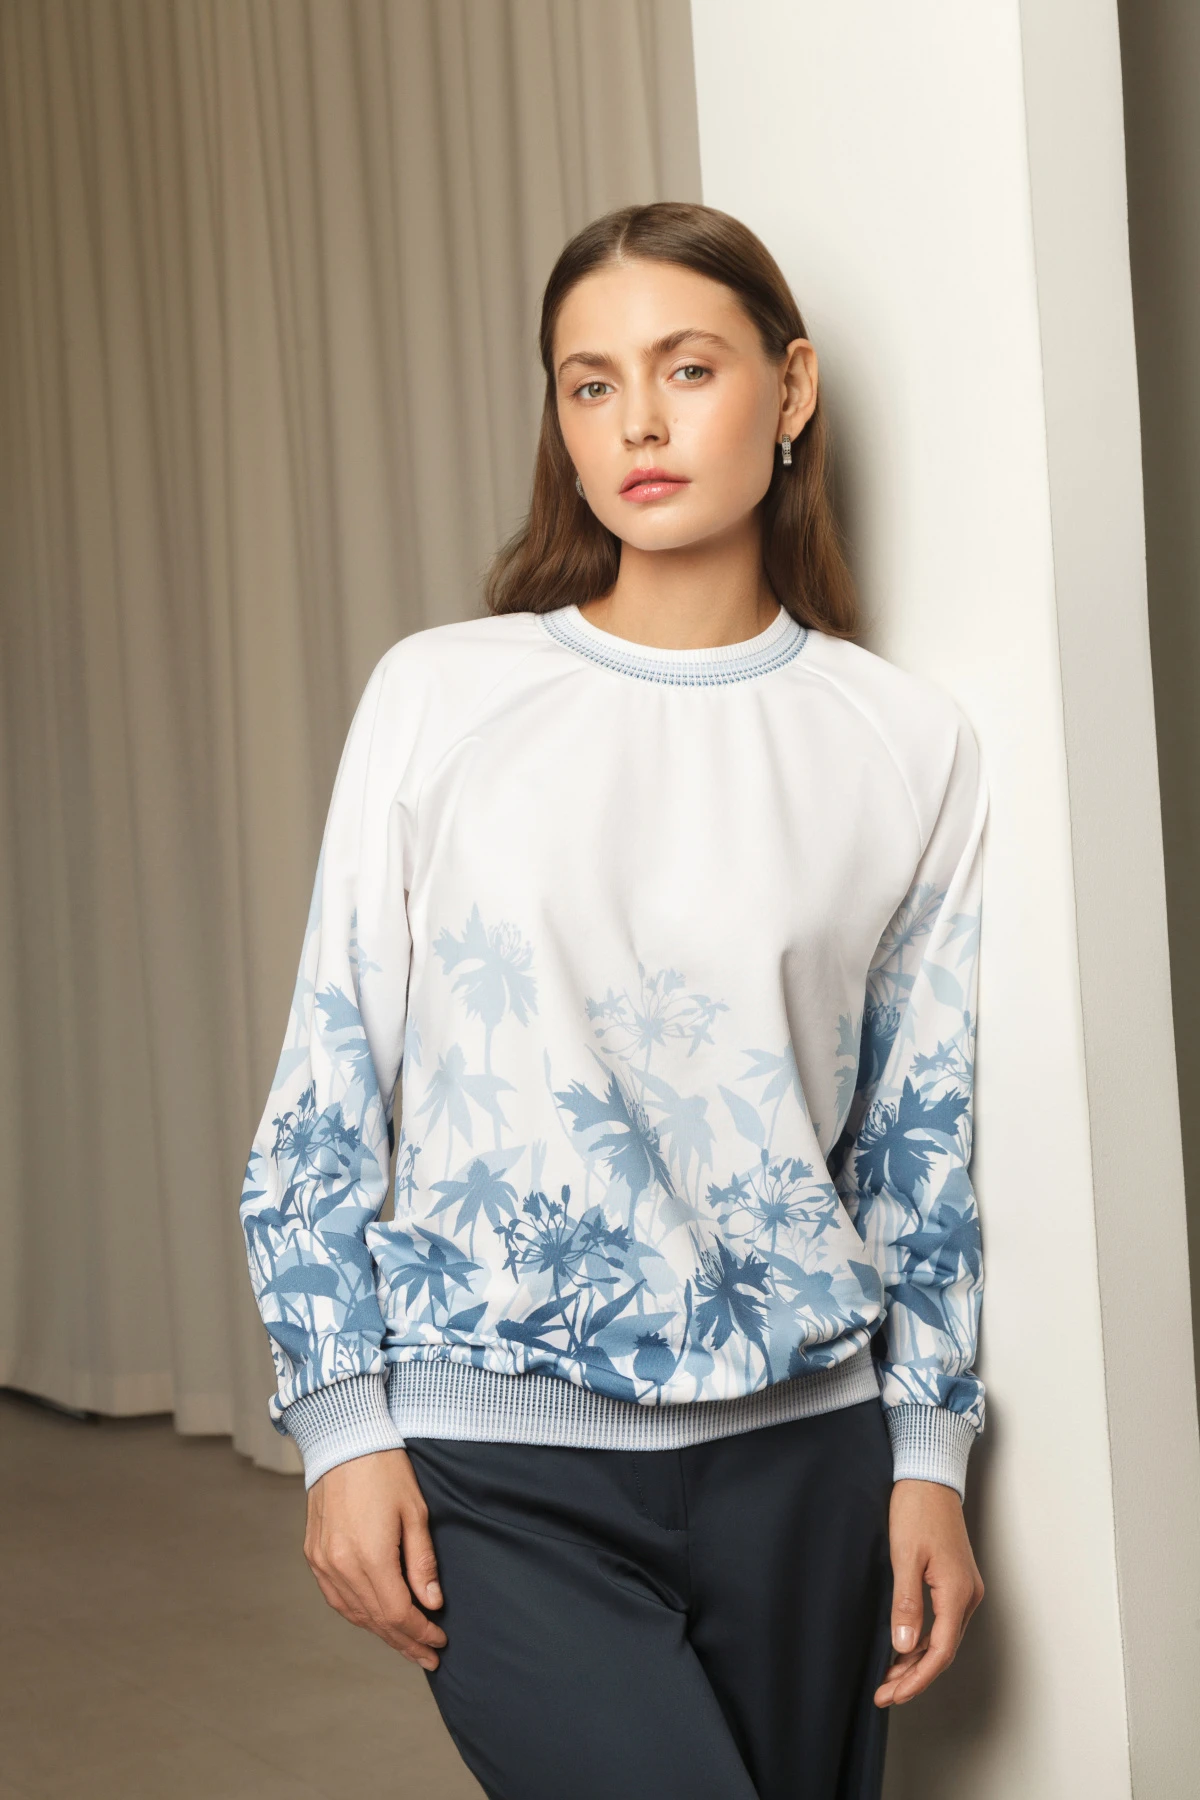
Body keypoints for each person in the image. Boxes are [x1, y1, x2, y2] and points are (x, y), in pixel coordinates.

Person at [239, 201, 988, 1800]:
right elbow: (327, 1079)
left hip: (806, 1459)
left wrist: (928, 1453)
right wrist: (340, 1422)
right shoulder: (443, 694)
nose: (638, 421)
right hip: (502, 1463)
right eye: (590, 384)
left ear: (790, 391)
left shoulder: (905, 743)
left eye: (687, 368)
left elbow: (915, 1146)